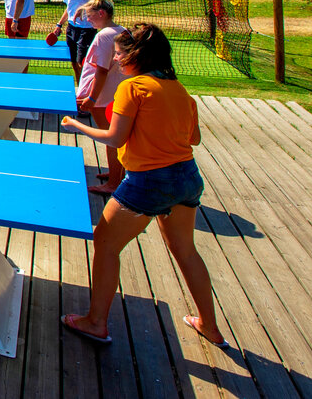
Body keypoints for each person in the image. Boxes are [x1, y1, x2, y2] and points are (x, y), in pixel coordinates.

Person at [60, 24, 226, 349]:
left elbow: (115, 137)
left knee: (105, 244)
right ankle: (209, 325)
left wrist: (76, 124)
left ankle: (95, 322)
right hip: (187, 178)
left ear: (136, 55)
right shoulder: (179, 90)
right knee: (186, 250)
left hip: (148, 181)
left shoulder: (132, 87)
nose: (117, 60)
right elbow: (194, 138)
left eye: (121, 54)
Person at [74, 0, 132, 197]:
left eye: (90, 15)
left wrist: (91, 98)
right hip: (113, 93)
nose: (88, 20)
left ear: (101, 13)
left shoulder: (104, 35)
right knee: (116, 138)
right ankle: (117, 172)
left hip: (104, 97)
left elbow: (101, 70)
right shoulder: (120, 30)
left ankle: (114, 183)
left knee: (110, 138)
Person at [52, 0, 97, 81]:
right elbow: (69, 8)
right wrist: (59, 24)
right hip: (71, 28)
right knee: (73, 63)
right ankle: (80, 88)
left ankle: (88, 91)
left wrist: (83, 8)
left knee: (82, 63)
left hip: (86, 29)